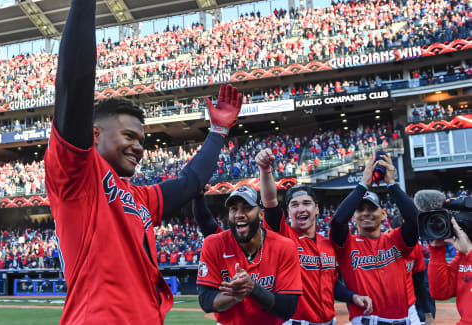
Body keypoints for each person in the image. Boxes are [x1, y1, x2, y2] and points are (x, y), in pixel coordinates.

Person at [44, 0, 242, 323]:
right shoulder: (77, 176)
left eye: (141, 141)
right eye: (128, 136)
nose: (138, 147)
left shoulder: (140, 198)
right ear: (94, 135)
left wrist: (218, 131)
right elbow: (74, 83)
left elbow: (191, 182)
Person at [254, 148, 373, 325]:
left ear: (316, 209)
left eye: (307, 203)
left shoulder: (327, 244)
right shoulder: (282, 236)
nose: (301, 209)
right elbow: (270, 202)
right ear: (287, 212)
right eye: (294, 205)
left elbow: (330, 285)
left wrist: (352, 296)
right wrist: (265, 171)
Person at [330, 154, 419, 325]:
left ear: (383, 213)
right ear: (353, 216)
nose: (365, 213)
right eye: (360, 209)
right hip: (366, 320)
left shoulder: (396, 239)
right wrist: (362, 185)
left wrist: (392, 184)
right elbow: (337, 222)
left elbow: (414, 220)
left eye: (371, 208)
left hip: (403, 320)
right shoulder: (347, 244)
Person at [196, 185, 303, 324]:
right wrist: (236, 295)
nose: (239, 214)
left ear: (261, 214)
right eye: (233, 209)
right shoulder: (214, 244)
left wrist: (253, 289)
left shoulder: (284, 246)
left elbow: (287, 308)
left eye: (246, 207)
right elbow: (206, 301)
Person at [416, 190, 472, 325]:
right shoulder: (463, 256)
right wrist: (437, 248)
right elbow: (440, 292)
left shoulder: (468, 254)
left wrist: (470, 252)